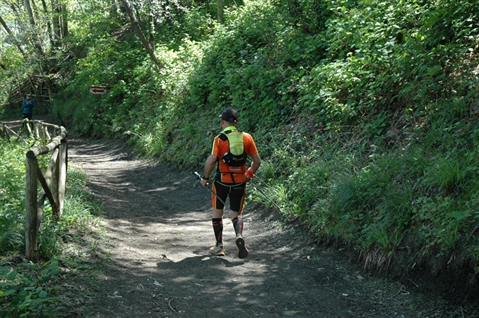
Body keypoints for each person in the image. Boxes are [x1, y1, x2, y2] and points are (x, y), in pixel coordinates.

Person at [201, 108, 261, 258]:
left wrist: (205, 177)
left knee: (217, 211)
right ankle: (239, 235)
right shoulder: (247, 138)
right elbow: (257, 161)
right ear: (237, 122)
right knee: (236, 212)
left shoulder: (219, 139)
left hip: (222, 181)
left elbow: (211, 161)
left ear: (222, 122)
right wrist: (249, 173)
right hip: (240, 181)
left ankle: (219, 246)